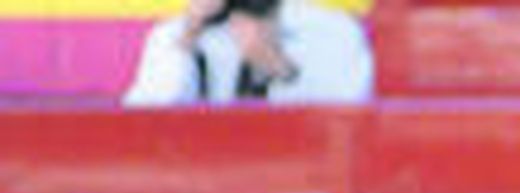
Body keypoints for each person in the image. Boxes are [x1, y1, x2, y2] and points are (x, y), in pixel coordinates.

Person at [122, 0, 373, 107]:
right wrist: (187, 38)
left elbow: (350, 124)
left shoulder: (331, 29)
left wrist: (279, 68)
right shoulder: (174, 36)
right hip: (198, 191)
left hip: (297, 189)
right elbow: (140, 125)